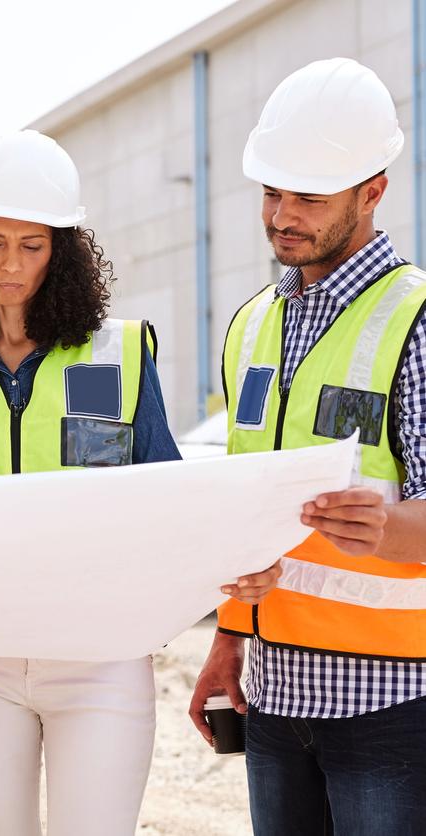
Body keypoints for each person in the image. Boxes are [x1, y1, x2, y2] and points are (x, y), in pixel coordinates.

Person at [0, 130, 280, 836]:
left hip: (101, 660)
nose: (9, 265)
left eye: (31, 245)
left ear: (60, 252)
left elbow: (169, 496)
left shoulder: (122, 351)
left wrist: (229, 561)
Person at [188, 57, 426, 835]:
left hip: (392, 704)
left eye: (309, 198)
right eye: (271, 192)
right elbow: (243, 502)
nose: (283, 214)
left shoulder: (416, 321)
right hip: (274, 695)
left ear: (373, 192)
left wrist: (392, 530)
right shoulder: (254, 323)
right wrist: (229, 636)